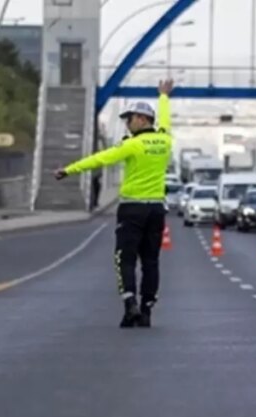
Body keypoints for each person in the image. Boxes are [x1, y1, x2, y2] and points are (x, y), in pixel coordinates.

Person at [55, 79, 174, 328]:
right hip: (156, 210)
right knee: (151, 261)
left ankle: (130, 303)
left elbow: (101, 159)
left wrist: (69, 169)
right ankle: (147, 309)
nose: (127, 123)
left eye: (129, 118)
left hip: (132, 209)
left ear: (141, 119)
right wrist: (163, 96)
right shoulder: (165, 140)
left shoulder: (131, 145)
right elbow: (165, 120)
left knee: (125, 258)